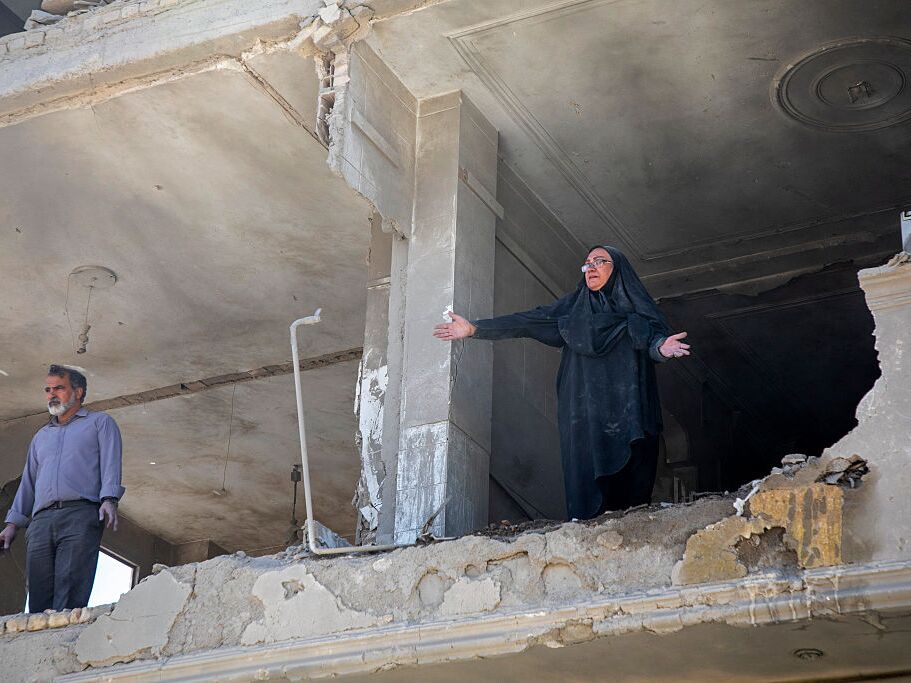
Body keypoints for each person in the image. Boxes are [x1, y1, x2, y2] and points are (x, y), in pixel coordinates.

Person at [433, 246, 689, 520]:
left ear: (619, 270)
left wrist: (661, 348)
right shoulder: (571, 310)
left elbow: (653, 338)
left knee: (633, 482)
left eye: (600, 261)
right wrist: (476, 329)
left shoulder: (637, 309)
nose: (590, 267)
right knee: (587, 474)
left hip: (629, 410)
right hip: (583, 412)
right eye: (587, 263)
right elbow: (528, 321)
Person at [0, 364, 124, 613]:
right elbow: (29, 482)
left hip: (80, 514)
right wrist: (12, 525)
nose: (51, 394)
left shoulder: (100, 423)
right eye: (48, 389)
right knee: (37, 593)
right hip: (41, 520)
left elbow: (111, 462)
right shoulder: (41, 436)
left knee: (69, 591)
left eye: (59, 388)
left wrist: (109, 499)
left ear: (78, 392)